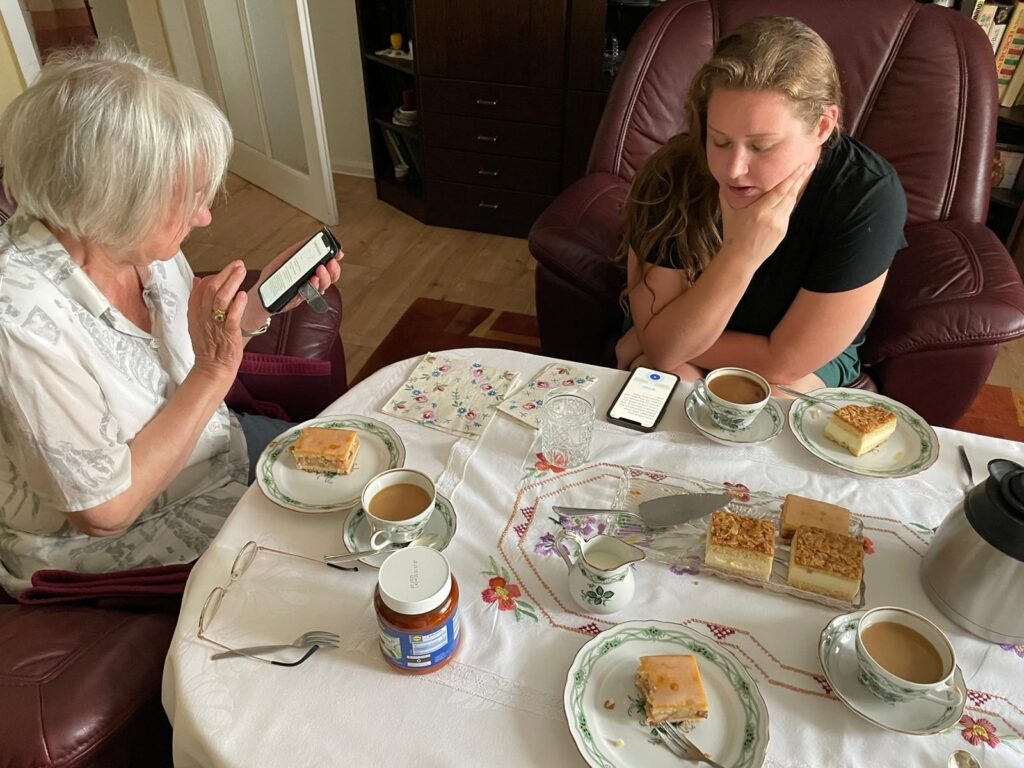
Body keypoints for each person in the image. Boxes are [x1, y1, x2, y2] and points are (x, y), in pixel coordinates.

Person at [0, 45, 342, 596]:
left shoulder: (132, 242)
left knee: (379, 487)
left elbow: (192, 348)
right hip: (128, 535)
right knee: (341, 571)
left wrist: (257, 308)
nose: (204, 217)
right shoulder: (18, 318)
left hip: (218, 451)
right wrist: (214, 372)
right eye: (185, 199)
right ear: (109, 199)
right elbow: (106, 510)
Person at [615, 16, 907, 391]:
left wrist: (663, 340)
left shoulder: (866, 196)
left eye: (761, 146)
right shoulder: (673, 176)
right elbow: (664, 352)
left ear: (821, 127)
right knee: (666, 384)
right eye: (719, 141)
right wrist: (740, 254)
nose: (734, 170)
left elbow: (784, 363)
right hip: (685, 332)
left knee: (775, 403)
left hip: (799, 358)